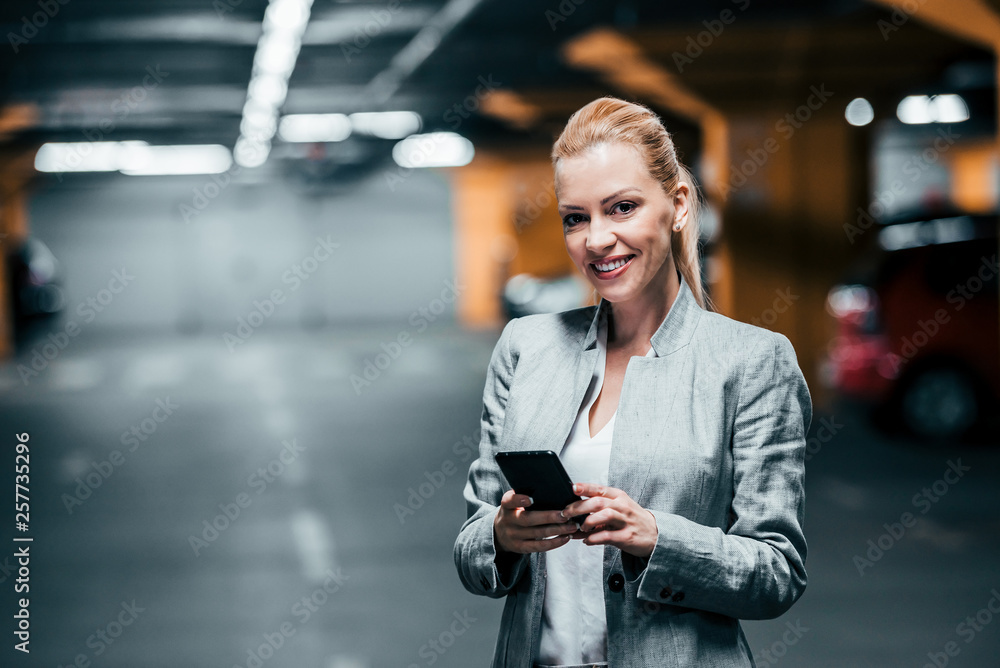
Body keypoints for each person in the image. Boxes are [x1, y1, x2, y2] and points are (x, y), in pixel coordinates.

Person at [453, 96, 813, 668]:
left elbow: (776, 573)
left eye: (621, 208)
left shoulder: (751, 361)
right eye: (576, 217)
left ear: (678, 205)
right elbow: (472, 549)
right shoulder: (526, 347)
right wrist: (500, 536)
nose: (596, 239)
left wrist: (655, 537)